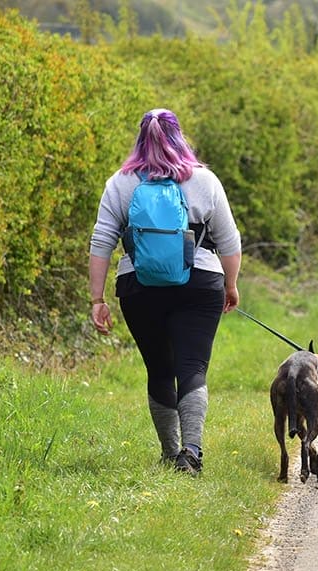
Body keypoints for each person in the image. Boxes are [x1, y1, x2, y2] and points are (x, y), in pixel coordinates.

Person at [88, 108, 241, 475]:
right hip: (200, 282)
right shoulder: (204, 180)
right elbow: (229, 241)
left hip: (139, 286)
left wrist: (98, 299)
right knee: (193, 366)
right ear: (179, 136)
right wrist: (230, 285)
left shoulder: (121, 182)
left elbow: (101, 242)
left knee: (159, 368)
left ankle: (171, 453)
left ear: (140, 139)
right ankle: (192, 452)